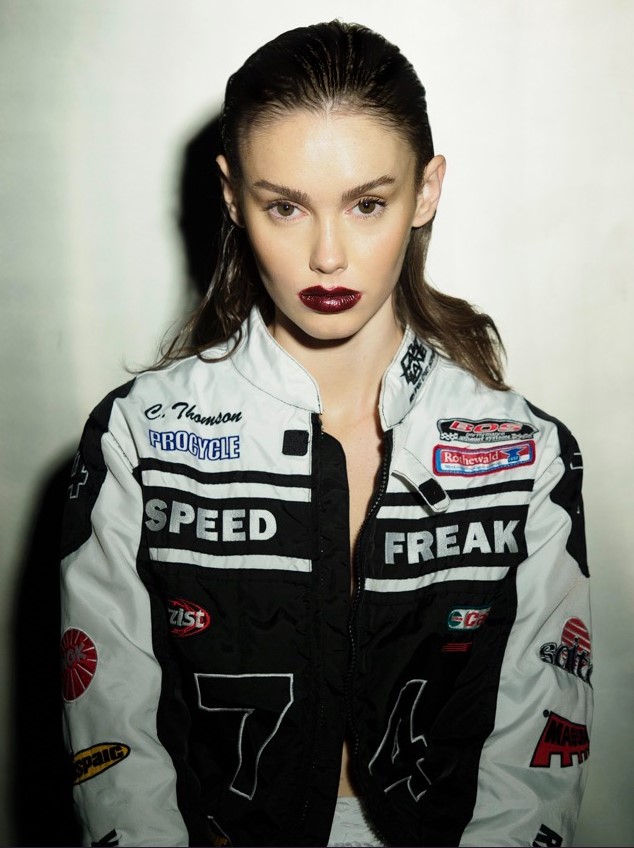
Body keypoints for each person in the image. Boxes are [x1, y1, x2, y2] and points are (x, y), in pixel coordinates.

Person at [60, 20, 592, 848]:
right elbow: (113, 737)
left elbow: (538, 750)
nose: (328, 256)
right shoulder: (139, 437)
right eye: (285, 206)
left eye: (368, 204)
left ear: (427, 191)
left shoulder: (525, 453)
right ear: (232, 196)